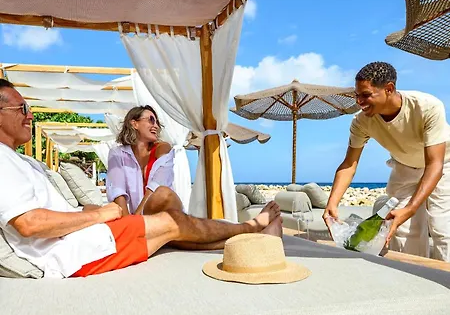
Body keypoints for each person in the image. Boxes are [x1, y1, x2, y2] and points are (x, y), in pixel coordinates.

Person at [0, 80, 282, 278]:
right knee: (174, 224)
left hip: (82, 237)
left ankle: (251, 234)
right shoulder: (2, 158)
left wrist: (96, 214)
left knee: (171, 221)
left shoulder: (22, 161)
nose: (30, 115)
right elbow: (30, 223)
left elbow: (157, 187)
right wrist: (101, 215)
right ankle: (250, 229)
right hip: (71, 253)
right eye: (22, 108)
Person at [323, 61, 450, 261]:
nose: (359, 101)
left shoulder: (427, 107)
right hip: (404, 167)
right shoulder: (361, 122)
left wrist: (411, 208)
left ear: (389, 89)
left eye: (366, 95)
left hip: (444, 165)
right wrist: (332, 203)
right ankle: (413, 274)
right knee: (402, 230)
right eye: (357, 95)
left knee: (443, 228)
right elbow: (349, 164)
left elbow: (435, 164)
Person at [106, 106, 175, 215]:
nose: (156, 126)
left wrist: (135, 220)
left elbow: (156, 186)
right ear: (134, 124)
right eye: (151, 120)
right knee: (90, 208)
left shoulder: (162, 149)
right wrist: (126, 221)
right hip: (136, 219)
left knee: (163, 192)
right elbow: (117, 190)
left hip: (164, 215)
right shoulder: (117, 153)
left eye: (157, 122)